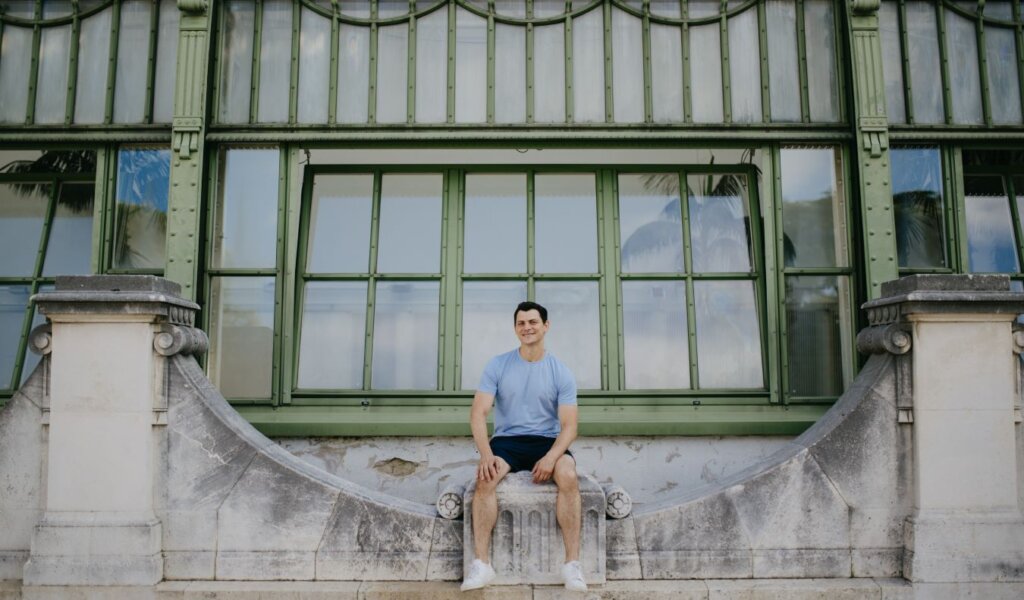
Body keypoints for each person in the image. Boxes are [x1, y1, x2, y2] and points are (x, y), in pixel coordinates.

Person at [461, 301, 587, 593]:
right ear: (515, 328)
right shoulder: (498, 365)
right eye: (521, 323)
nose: (527, 328)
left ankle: (572, 565)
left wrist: (551, 457)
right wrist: (486, 455)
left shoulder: (561, 371)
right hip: (508, 441)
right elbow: (478, 413)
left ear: (546, 326)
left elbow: (569, 426)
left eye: (533, 322)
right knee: (486, 477)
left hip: (546, 441)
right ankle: (482, 565)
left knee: (568, 475)